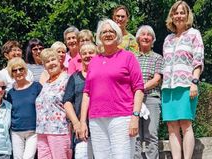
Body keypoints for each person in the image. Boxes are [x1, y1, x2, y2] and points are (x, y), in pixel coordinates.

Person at [78, 19, 144, 159]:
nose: (107, 34)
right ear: (99, 36)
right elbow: (87, 93)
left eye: (111, 31)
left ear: (117, 34)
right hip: (96, 120)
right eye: (104, 32)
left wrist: (135, 117)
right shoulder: (94, 61)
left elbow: (138, 88)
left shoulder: (128, 57)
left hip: (122, 117)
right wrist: (83, 122)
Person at [162, 1, 204, 159]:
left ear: (187, 15)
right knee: (171, 126)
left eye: (182, 13)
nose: (178, 16)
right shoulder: (168, 39)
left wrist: (194, 82)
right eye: (176, 13)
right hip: (168, 87)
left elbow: (198, 60)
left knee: (186, 124)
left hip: (186, 85)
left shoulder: (194, 34)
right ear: (171, 16)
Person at [35, 48, 72, 159]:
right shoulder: (46, 83)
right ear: (44, 66)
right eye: (47, 61)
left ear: (59, 60)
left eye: (53, 59)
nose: (51, 63)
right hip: (42, 130)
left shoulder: (67, 79)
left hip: (59, 130)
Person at [63, 43, 97, 159]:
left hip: (101, 127)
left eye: (91, 52)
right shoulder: (74, 78)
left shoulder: (102, 75)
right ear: (80, 57)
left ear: (97, 55)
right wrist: (76, 123)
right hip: (82, 130)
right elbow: (67, 101)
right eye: (84, 53)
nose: (88, 55)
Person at [134, 25, 163, 159]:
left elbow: (157, 79)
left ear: (153, 40)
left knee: (151, 134)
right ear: (138, 38)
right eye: (143, 34)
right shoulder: (132, 57)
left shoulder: (158, 58)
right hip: (133, 100)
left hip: (151, 98)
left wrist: (140, 89)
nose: (145, 37)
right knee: (135, 136)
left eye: (149, 35)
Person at [6, 57, 42, 159]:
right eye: (14, 70)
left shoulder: (36, 87)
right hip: (16, 131)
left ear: (25, 70)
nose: (18, 72)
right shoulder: (10, 93)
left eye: (21, 69)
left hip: (33, 131)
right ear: (11, 73)